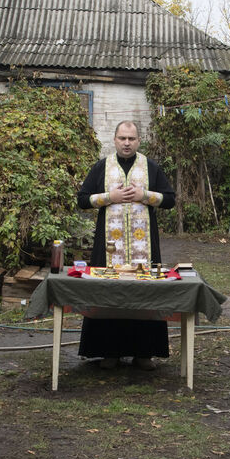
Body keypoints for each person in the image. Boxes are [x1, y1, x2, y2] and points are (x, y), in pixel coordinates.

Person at [76, 120, 177, 370]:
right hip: (109, 247)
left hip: (144, 247)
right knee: (107, 294)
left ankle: (144, 353)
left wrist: (145, 196)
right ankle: (109, 352)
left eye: (131, 138)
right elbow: (82, 199)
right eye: (122, 138)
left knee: (145, 294)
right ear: (115, 140)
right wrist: (110, 197)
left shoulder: (151, 167)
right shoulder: (101, 167)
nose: (127, 143)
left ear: (139, 141)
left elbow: (170, 200)